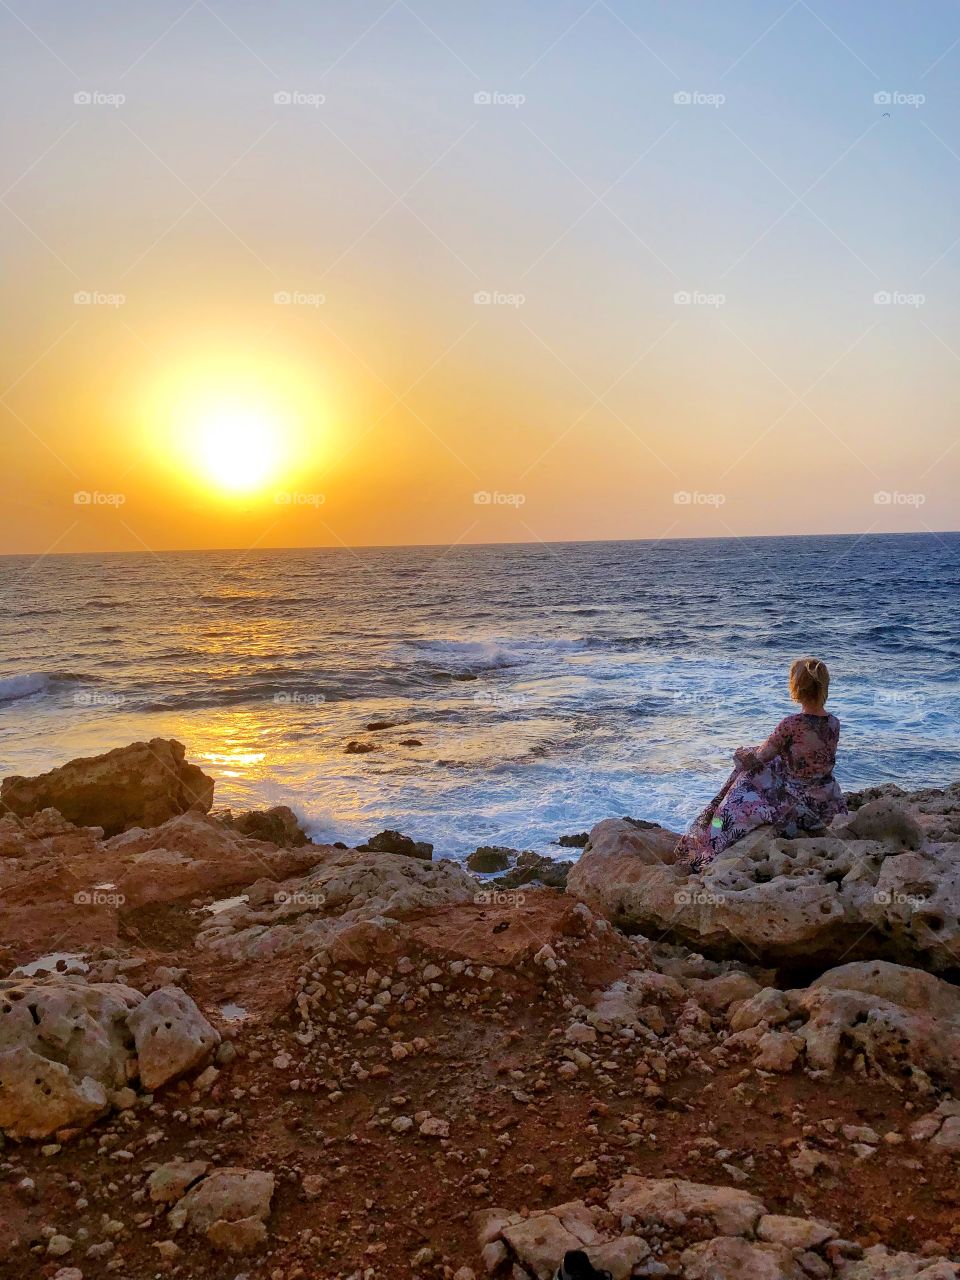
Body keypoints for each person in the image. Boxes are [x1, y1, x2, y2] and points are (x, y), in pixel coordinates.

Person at [675, 657, 846, 871]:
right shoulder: (833, 723)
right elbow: (807, 758)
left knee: (744, 776)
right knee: (774, 761)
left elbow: (757, 759)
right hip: (825, 806)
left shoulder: (791, 724)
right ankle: (708, 835)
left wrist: (740, 753)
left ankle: (708, 845)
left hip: (796, 810)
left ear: (797, 688)